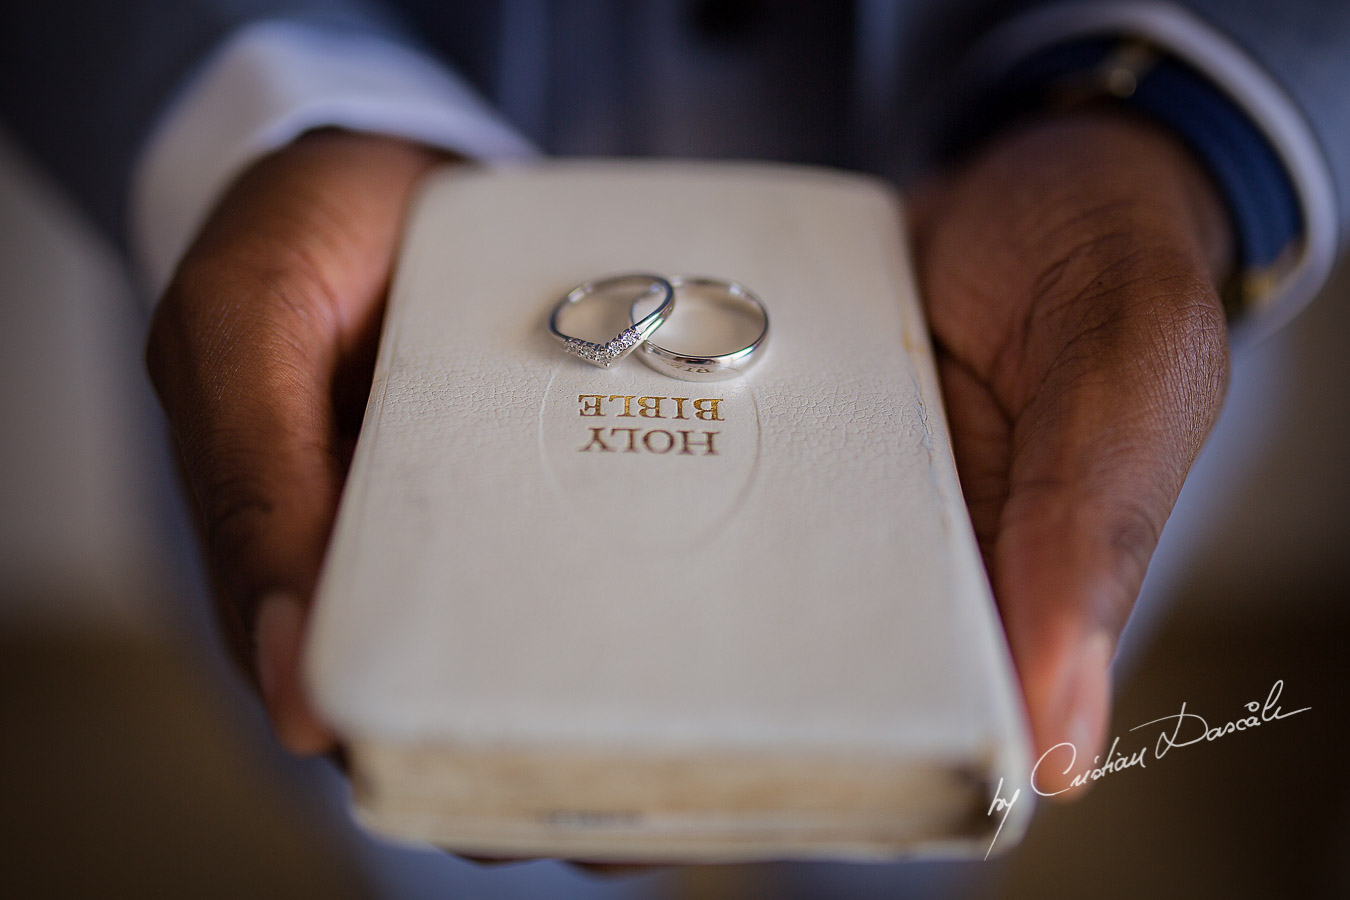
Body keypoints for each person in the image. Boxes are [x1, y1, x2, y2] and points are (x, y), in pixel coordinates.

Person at [1, 0, 1346, 802]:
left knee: (924, 778)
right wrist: (267, 116)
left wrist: (1168, 129)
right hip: (372, 363)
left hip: (1004, 361)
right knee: (433, 800)